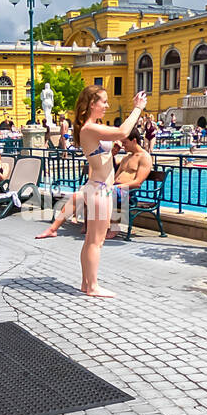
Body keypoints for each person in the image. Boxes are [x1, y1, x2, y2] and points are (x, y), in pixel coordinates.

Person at [67, 85, 147, 297]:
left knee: (91, 240)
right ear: (92, 104)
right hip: (100, 190)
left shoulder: (90, 128)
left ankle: (86, 284)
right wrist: (137, 108)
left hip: (97, 188)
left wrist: (112, 149)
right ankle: (92, 287)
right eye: (103, 101)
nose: (107, 105)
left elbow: (110, 144)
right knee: (96, 241)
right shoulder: (89, 128)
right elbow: (122, 132)